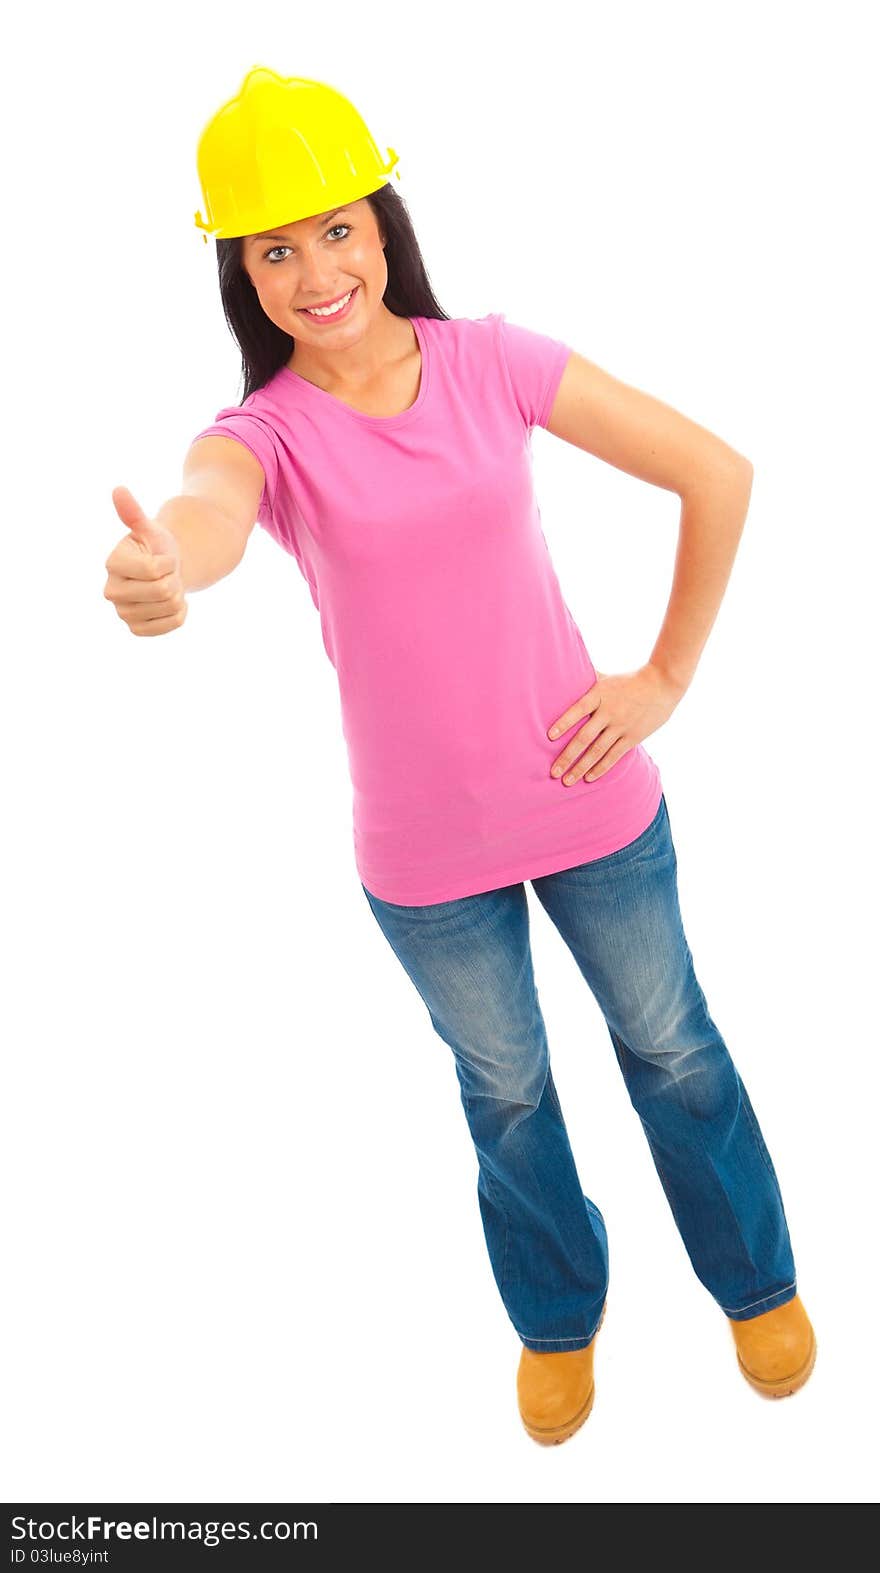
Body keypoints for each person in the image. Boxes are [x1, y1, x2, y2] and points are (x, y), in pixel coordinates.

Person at [104, 65, 816, 1444]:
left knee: (673, 1049)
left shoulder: (491, 359)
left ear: (383, 220)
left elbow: (716, 471)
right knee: (506, 1094)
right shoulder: (261, 437)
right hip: (424, 862)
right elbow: (206, 510)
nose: (316, 270)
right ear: (239, 271)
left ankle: (755, 1279)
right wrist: (162, 569)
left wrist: (664, 676)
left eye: (336, 228)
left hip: (596, 806)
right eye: (273, 246)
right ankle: (558, 1317)